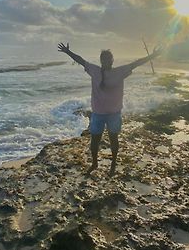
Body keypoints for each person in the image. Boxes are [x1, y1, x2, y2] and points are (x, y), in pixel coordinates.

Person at [58, 42, 161, 176]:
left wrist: (153, 55)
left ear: (112, 60)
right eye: (104, 59)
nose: (106, 61)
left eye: (109, 59)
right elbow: (81, 60)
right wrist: (68, 52)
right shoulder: (94, 70)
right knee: (94, 141)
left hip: (114, 114)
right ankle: (94, 163)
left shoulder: (119, 72)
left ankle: (113, 164)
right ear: (101, 61)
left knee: (114, 140)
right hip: (98, 114)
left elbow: (137, 63)